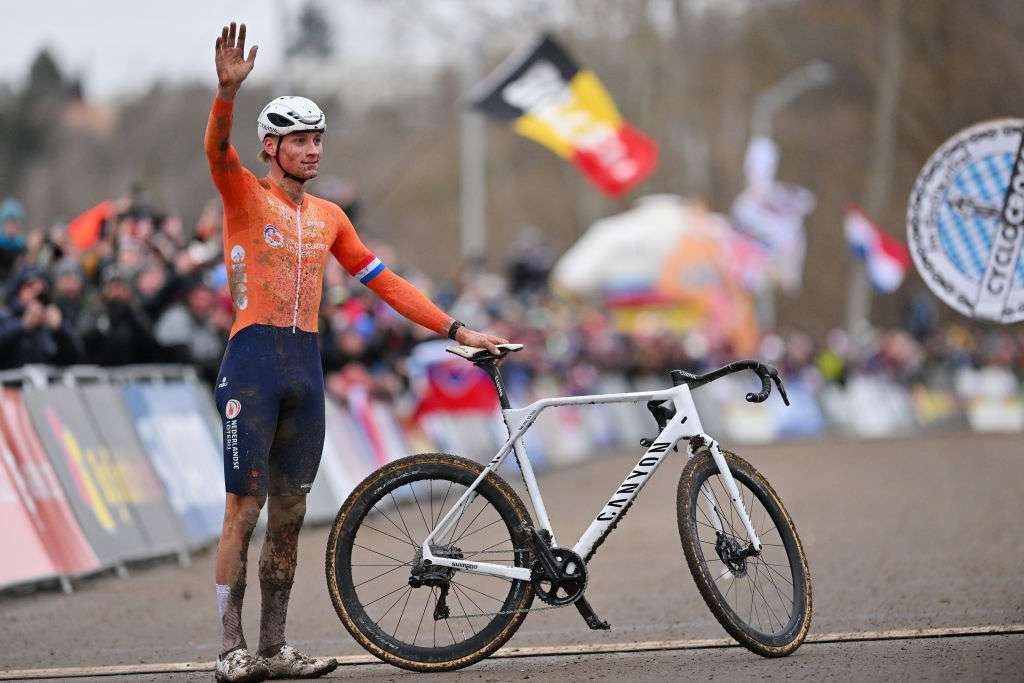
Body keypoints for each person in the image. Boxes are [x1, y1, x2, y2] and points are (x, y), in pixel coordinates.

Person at [206, 22, 510, 682]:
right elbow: (217, 151)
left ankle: (273, 647)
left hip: (306, 369)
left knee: (289, 516)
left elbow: (386, 283)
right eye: (302, 140)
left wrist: (457, 329)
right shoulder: (244, 196)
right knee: (243, 510)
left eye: (319, 139)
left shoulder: (330, 217)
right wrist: (226, 94)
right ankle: (230, 647)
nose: (314, 150)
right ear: (271, 147)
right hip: (252, 363)